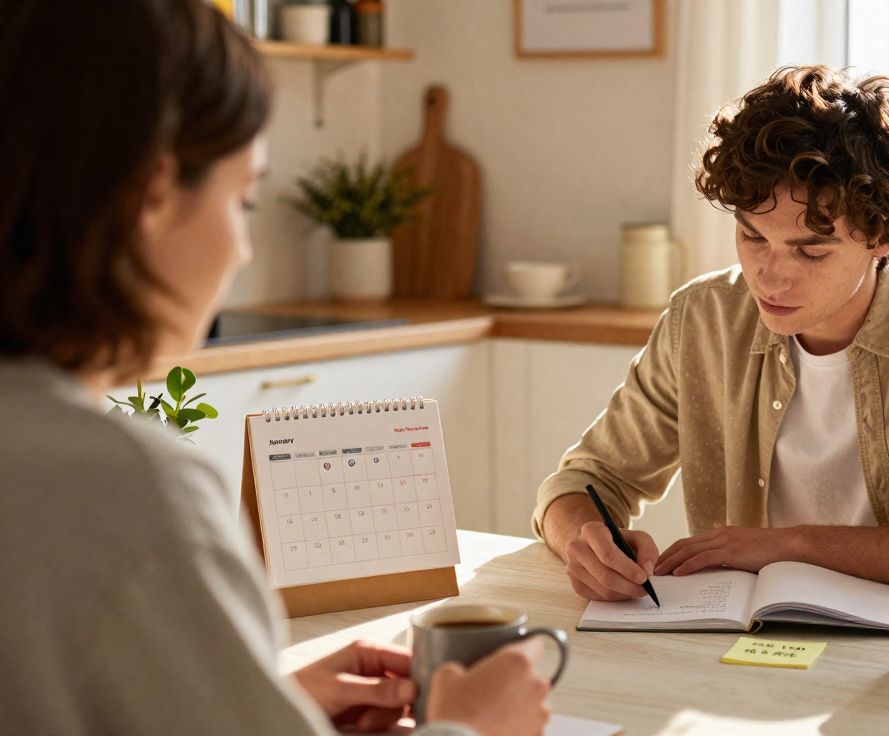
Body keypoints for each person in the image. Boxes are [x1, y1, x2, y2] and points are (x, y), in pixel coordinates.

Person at [0, 2, 548, 734]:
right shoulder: (120, 488)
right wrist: (472, 729)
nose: (244, 249)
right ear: (152, 193)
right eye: (245, 199)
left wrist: (256, 701)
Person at [535, 66, 889, 603]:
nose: (769, 277)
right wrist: (585, 541)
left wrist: (792, 545)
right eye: (752, 237)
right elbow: (583, 482)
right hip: (744, 639)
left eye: (811, 251)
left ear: (883, 237)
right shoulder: (703, 320)